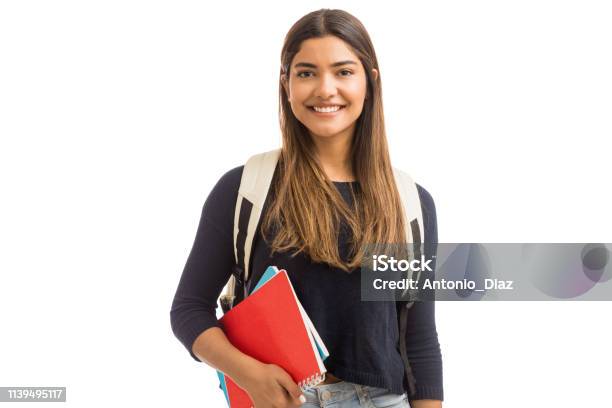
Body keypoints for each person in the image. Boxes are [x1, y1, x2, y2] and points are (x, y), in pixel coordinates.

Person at [170, 8, 443, 408]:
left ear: (370, 79)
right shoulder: (246, 188)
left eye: (344, 72)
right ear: (287, 84)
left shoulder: (406, 202)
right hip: (282, 399)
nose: (325, 89)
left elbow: (418, 341)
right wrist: (249, 374)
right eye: (306, 72)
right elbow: (189, 310)